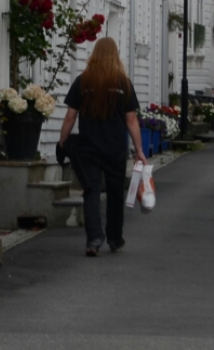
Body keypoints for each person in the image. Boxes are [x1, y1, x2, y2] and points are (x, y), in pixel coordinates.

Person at [55, 37, 147, 256]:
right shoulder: (123, 84)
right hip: (115, 148)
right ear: (115, 56)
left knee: (91, 191)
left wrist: (62, 141)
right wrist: (139, 150)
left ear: (94, 55)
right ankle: (115, 238)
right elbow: (131, 121)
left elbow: (70, 116)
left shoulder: (83, 82)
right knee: (115, 193)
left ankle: (94, 239)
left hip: (89, 147)